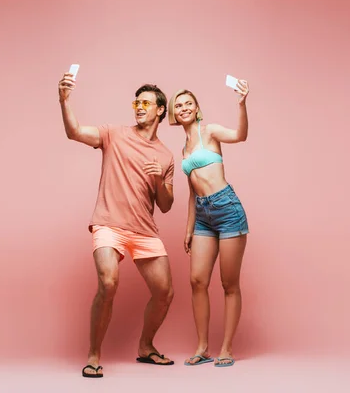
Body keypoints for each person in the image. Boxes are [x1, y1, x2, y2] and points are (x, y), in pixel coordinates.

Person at [58, 72, 176, 378]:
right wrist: (64, 100)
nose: (139, 107)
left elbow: (165, 205)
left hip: (144, 230)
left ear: (160, 110)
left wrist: (159, 179)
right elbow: (74, 132)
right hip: (109, 224)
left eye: (146, 103)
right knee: (108, 282)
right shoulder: (114, 134)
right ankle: (94, 355)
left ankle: (146, 347)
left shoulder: (165, 155)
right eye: (137, 102)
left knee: (165, 292)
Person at [168, 80, 250, 367]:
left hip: (227, 208)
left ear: (197, 108)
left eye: (188, 103)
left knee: (229, 283)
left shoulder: (210, 131)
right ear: (173, 114)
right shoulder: (184, 150)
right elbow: (192, 194)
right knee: (197, 280)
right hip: (203, 214)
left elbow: (240, 135)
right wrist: (189, 229)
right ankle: (202, 347)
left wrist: (241, 104)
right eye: (178, 105)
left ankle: (226, 348)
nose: (184, 108)